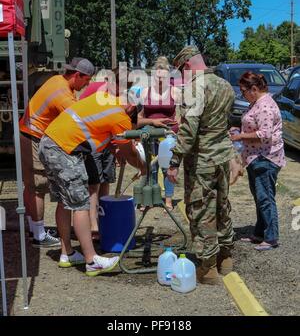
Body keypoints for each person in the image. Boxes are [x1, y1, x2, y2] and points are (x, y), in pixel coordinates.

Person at [38, 90, 146, 276]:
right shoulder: (120, 116)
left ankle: (67, 253)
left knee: (65, 202)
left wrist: (113, 146)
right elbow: (129, 154)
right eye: (135, 117)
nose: (132, 121)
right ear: (131, 108)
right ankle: (91, 260)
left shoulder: (103, 99)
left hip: (49, 142)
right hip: (65, 149)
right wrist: (143, 167)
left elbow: (93, 129)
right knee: (81, 204)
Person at [167, 46, 235, 285]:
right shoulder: (225, 85)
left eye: (180, 71)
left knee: (202, 210)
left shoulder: (194, 89)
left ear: (187, 65)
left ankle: (208, 268)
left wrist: (174, 161)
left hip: (203, 160)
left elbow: (188, 130)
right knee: (222, 205)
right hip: (222, 156)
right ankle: (225, 258)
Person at [19, 57, 94, 247]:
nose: (88, 83)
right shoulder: (63, 95)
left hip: (28, 134)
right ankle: (38, 236)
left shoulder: (56, 80)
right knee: (38, 186)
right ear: (77, 75)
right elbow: (78, 123)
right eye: (87, 79)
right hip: (32, 137)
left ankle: (35, 230)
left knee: (32, 186)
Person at [230, 72, 285, 251]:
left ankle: (271, 237)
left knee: (265, 198)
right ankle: (260, 233)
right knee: (260, 197)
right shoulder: (256, 103)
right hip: (256, 157)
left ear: (254, 89)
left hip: (266, 158)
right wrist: (238, 130)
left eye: (243, 91)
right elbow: (253, 126)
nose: (241, 94)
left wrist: (240, 136)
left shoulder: (265, 106)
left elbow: (264, 134)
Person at [138, 56, 181, 210]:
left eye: (163, 77)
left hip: (168, 133)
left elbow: (180, 117)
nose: (160, 80)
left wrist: (178, 133)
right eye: (157, 77)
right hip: (149, 133)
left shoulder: (175, 92)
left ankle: (168, 199)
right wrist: (152, 123)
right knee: (150, 166)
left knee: (166, 165)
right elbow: (139, 118)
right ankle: (149, 198)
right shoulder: (145, 92)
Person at [79, 80, 116, 239]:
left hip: (108, 140)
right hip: (92, 141)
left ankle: (104, 220)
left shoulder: (122, 95)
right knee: (94, 184)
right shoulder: (97, 89)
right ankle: (93, 227)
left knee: (106, 180)